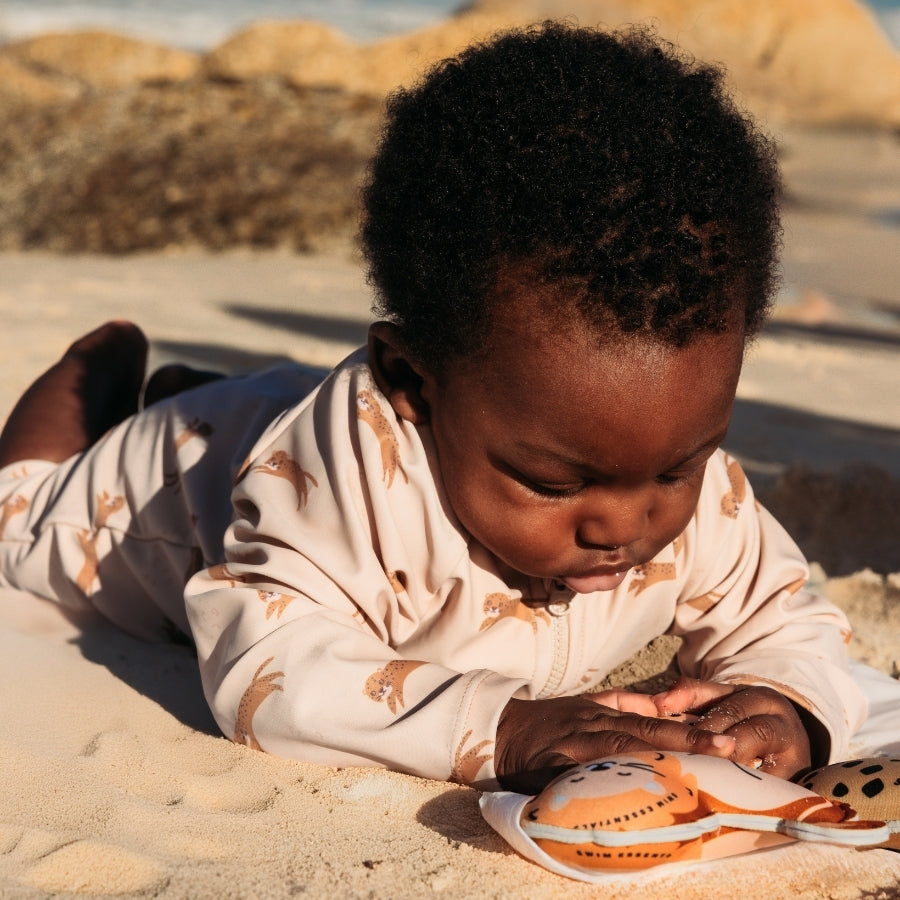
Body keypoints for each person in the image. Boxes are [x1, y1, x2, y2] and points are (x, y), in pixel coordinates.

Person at [0, 22, 866, 795]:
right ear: (413, 386)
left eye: (676, 466)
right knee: (18, 523)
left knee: (246, 413)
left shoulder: (677, 479)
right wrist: (504, 726)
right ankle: (95, 374)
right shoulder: (351, 477)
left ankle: (197, 400)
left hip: (262, 428)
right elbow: (264, 663)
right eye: (554, 481)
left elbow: (786, 617)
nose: (625, 524)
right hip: (141, 509)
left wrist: (784, 703)